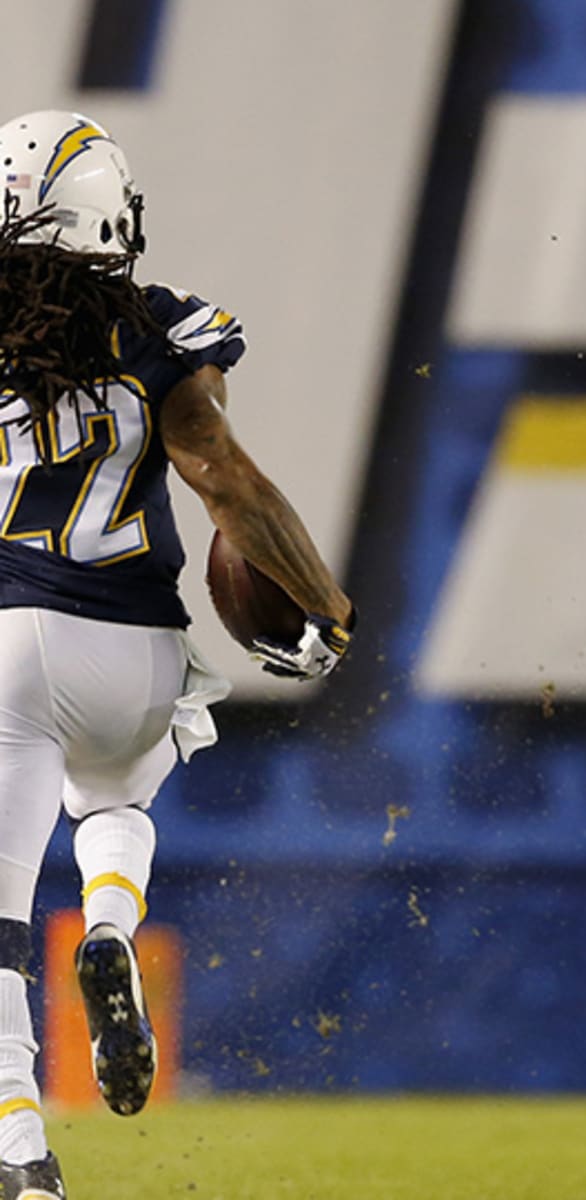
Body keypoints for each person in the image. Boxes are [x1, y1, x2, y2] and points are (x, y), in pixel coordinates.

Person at [0, 110, 355, 1199]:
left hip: (5, 640)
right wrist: (326, 606)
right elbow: (228, 485)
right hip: (135, 646)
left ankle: (20, 1154)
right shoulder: (160, 332)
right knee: (117, 800)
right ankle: (107, 923)